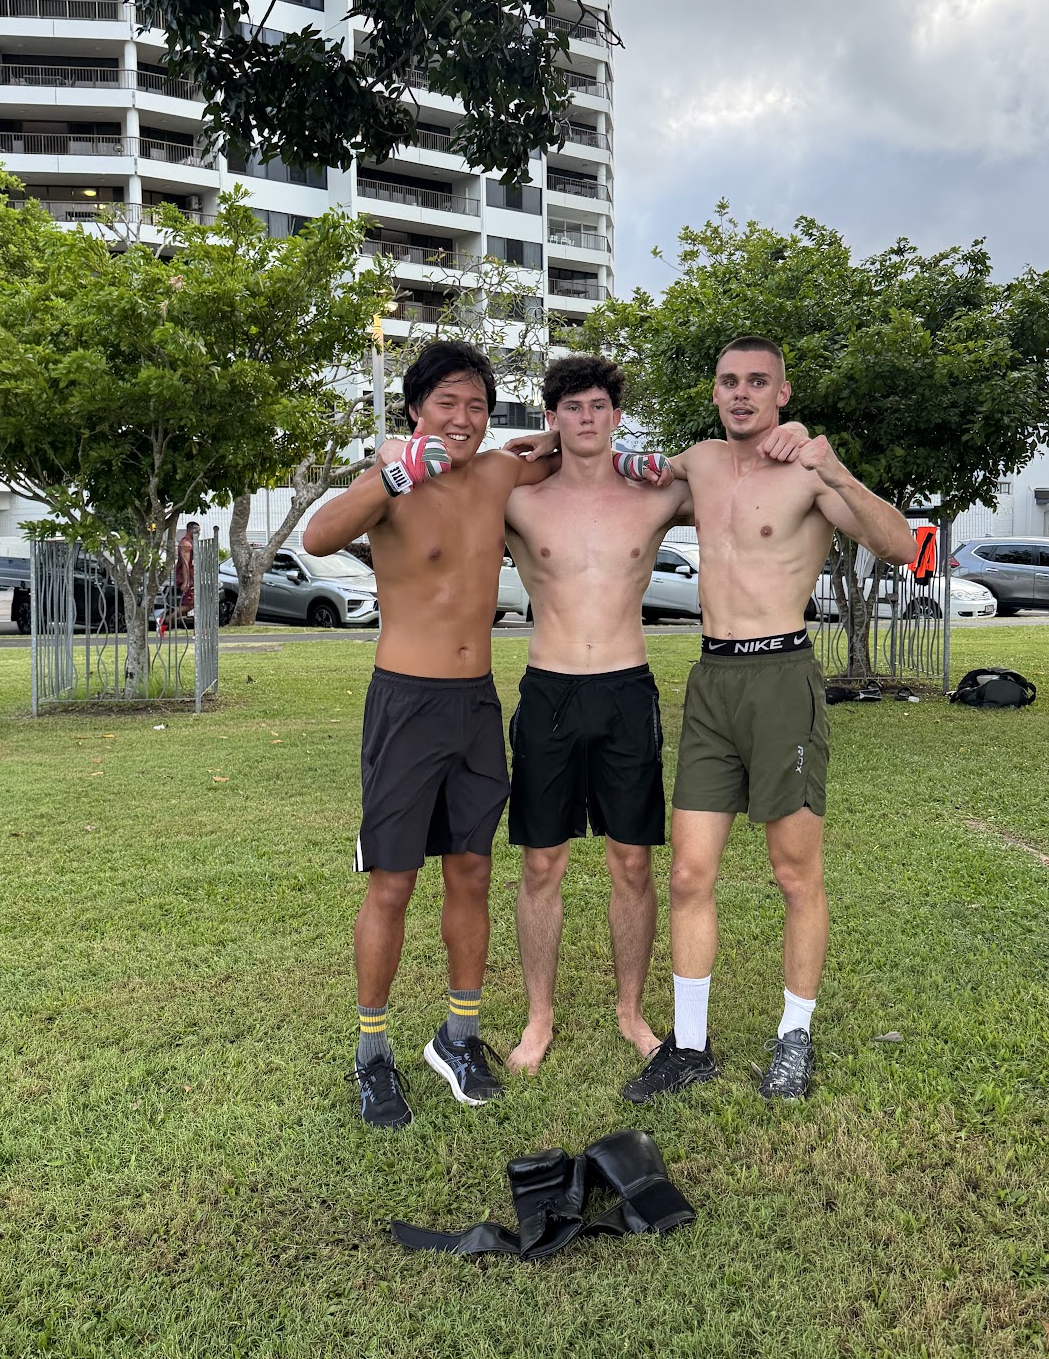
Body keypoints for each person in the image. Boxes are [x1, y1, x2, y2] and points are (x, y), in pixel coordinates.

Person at [621, 335, 918, 1105]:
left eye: (758, 382)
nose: (742, 393)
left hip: (783, 676)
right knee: (688, 871)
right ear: (715, 393)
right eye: (729, 382)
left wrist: (834, 468)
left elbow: (900, 548)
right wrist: (545, 448)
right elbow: (633, 471)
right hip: (712, 680)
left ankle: (795, 1035)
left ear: (783, 393)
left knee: (794, 872)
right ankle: (689, 1046)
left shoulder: (808, 472)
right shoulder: (702, 462)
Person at [501, 354, 809, 1074]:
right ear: (552, 417)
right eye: (571, 406)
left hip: (626, 690)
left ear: (615, 415)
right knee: (542, 862)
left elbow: (747, 490)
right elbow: (464, 474)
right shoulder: (518, 500)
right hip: (548, 689)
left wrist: (793, 438)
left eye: (598, 406)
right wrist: (524, 451)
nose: (585, 418)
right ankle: (538, 1019)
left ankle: (631, 1012)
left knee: (632, 862)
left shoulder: (657, 494)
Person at [302, 339, 555, 1130]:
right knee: (392, 881)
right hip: (406, 704)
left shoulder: (496, 474)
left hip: (477, 704)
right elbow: (316, 537)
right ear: (415, 408)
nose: (463, 417)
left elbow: (558, 455)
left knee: (472, 872)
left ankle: (459, 1037)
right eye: (447, 401)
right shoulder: (393, 481)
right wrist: (391, 469)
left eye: (476, 405)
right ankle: (371, 1053)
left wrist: (540, 440)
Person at [159, 520, 198, 636]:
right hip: (186, 577)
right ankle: (165, 620)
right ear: (189, 530)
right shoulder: (186, 544)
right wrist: (186, 581)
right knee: (190, 604)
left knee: (193, 602)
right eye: (196, 530)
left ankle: (166, 621)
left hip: (190, 576)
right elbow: (185, 563)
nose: (198, 533)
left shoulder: (190, 543)